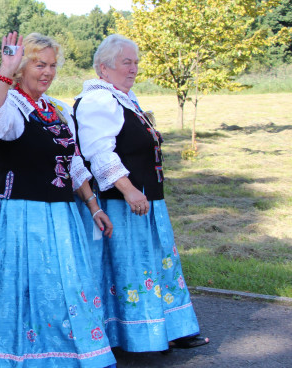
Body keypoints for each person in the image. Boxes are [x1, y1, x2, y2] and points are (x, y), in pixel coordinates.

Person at [0, 32, 115, 368]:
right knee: (25, 285)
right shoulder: (11, 104)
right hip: (21, 213)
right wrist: (4, 71)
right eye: (39, 64)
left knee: (65, 282)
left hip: (62, 214)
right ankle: (22, 355)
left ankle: (66, 355)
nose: (48, 72)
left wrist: (93, 206)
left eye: (52, 66)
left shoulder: (57, 109)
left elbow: (73, 164)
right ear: (22, 67)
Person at [73, 34, 209, 352]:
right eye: (126, 62)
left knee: (157, 263)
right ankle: (135, 335)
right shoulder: (98, 101)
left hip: (145, 200)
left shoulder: (124, 98)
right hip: (120, 205)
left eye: (135, 62)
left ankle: (171, 329)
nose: (133, 68)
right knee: (130, 267)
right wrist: (130, 189)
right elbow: (99, 152)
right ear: (103, 68)